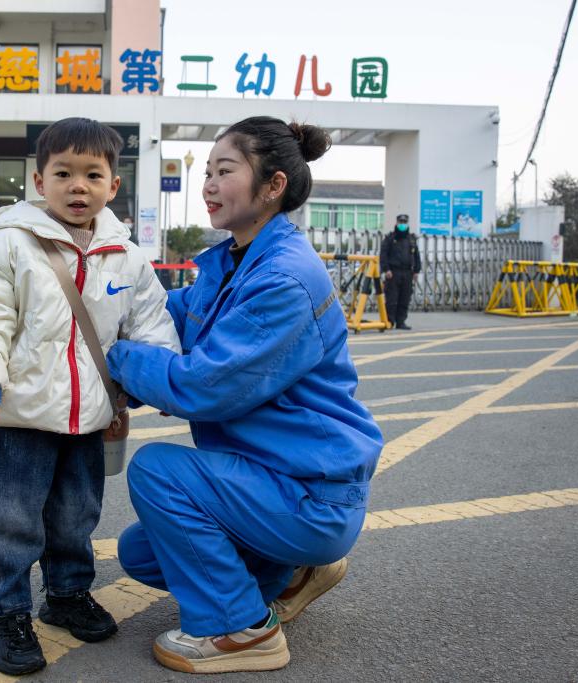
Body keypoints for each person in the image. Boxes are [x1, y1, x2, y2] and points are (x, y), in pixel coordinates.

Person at [106, 116, 384, 674]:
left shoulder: (282, 278)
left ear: (273, 185)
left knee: (157, 471)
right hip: (270, 479)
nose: (207, 184)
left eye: (224, 171)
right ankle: (296, 571)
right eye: (206, 172)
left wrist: (115, 359)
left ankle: (241, 630)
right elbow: (166, 323)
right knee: (141, 553)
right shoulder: (232, 261)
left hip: (308, 492)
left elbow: (202, 385)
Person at [0, 117, 180, 676]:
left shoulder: (127, 256)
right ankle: (5, 613)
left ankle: (68, 595)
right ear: (38, 180)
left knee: (77, 517)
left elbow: (150, 325)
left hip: (90, 418)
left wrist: (156, 382)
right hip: (16, 415)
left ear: (113, 186)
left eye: (93, 175)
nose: (78, 186)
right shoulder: (8, 245)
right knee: (12, 522)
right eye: (63, 173)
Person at [379, 213, 421, 330]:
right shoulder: (390, 239)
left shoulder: (411, 239)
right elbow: (383, 255)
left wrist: (416, 271)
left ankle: (401, 321)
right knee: (392, 299)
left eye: (404, 222)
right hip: (393, 273)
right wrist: (386, 269)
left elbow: (416, 256)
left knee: (405, 298)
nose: (402, 224)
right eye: (400, 222)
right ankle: (390, 321)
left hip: (407, 273)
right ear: (396, 223)